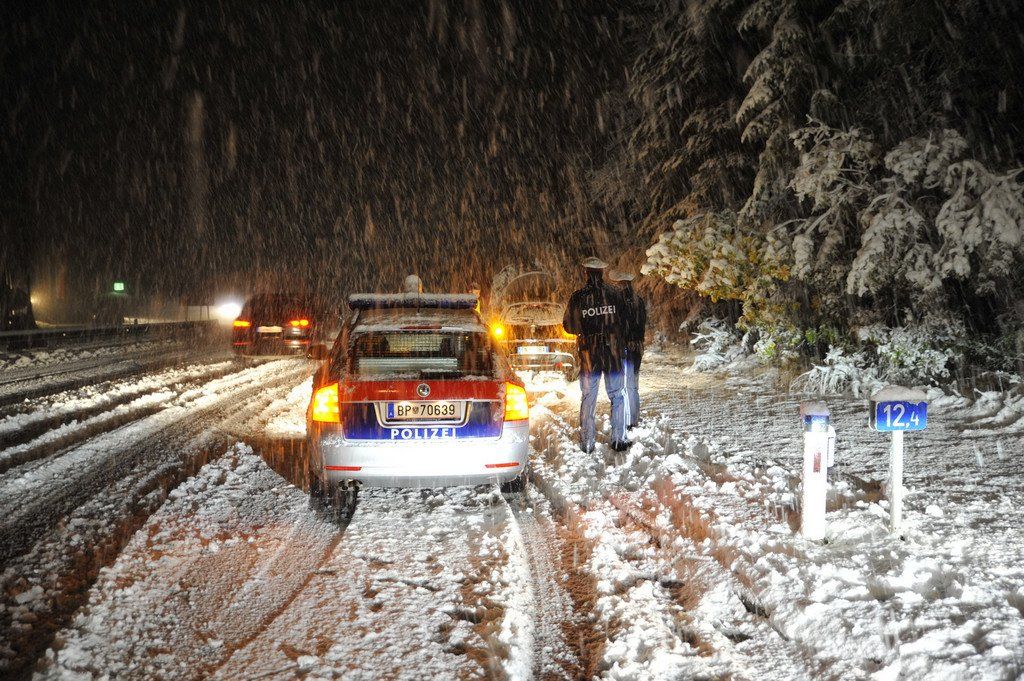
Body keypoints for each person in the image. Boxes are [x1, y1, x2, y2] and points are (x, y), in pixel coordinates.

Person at [563, 257, 630, 453]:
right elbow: (626, 322)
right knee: (618, 396)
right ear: (601, 272)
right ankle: (618, 440)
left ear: (586, 273)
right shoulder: (615, 295)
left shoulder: (578, 297)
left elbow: (569, 326)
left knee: (588, 397)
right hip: (613, 353)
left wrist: (587, 327)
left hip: (589, 353)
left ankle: (587, 442)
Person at [610, 270, 647, 430]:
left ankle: (620, 418)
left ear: (620, 284)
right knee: (632, 385)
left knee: (618, 386)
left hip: (620, 347)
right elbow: (641, 324)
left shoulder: (616, 302)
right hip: (636, 347)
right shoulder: (639, 301)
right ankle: (633, 419)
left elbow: (614, 325)